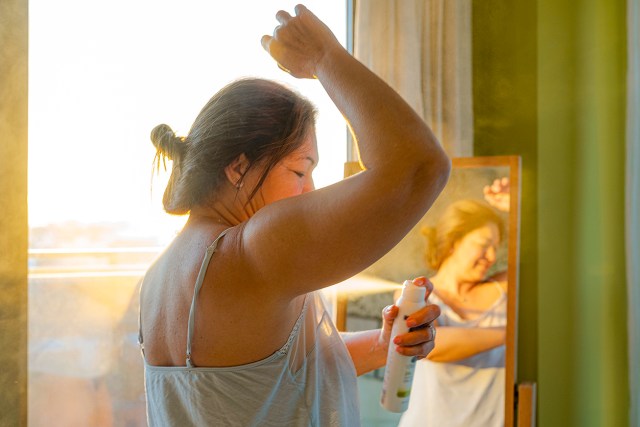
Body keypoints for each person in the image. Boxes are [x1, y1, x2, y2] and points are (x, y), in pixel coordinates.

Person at [137, 4, 451, 427]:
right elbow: (418, 167)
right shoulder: (253, 249)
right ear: (239, 167)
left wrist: (383, 345)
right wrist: (323, 56)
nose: (311, 191)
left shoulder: (161, 274)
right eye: (300, 170)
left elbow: (269, 378)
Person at [398, 197, 508, 427]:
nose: (492, 257)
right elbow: (435, 345)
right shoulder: (418, 294)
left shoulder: (504, 290)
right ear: (454, 241)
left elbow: (541, 260)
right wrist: (511, 332)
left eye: (495, 248)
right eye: (484, 244)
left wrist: (514, 208)